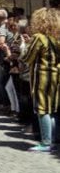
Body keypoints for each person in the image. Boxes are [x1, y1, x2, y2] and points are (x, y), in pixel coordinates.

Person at [21, 8, 60, 152]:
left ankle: (46, 142)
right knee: (53, 110)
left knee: (42, 109)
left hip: (41, 77)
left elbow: (27, 58)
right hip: (56, 76)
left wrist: (25, 45)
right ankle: (54, 140)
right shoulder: (56, 38)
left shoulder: (39, 37)